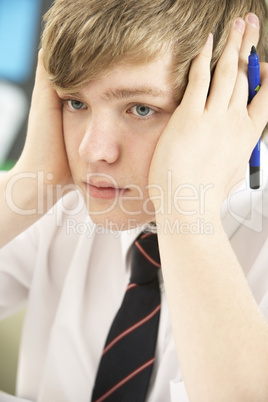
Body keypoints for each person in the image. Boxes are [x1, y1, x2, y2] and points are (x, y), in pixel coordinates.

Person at [1, 0, 268, 401]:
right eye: (76, 103)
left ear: (239, 100)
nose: (94, 151)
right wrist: (28, 178)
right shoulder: (64, 202)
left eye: (141, 108)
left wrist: (184, 210)